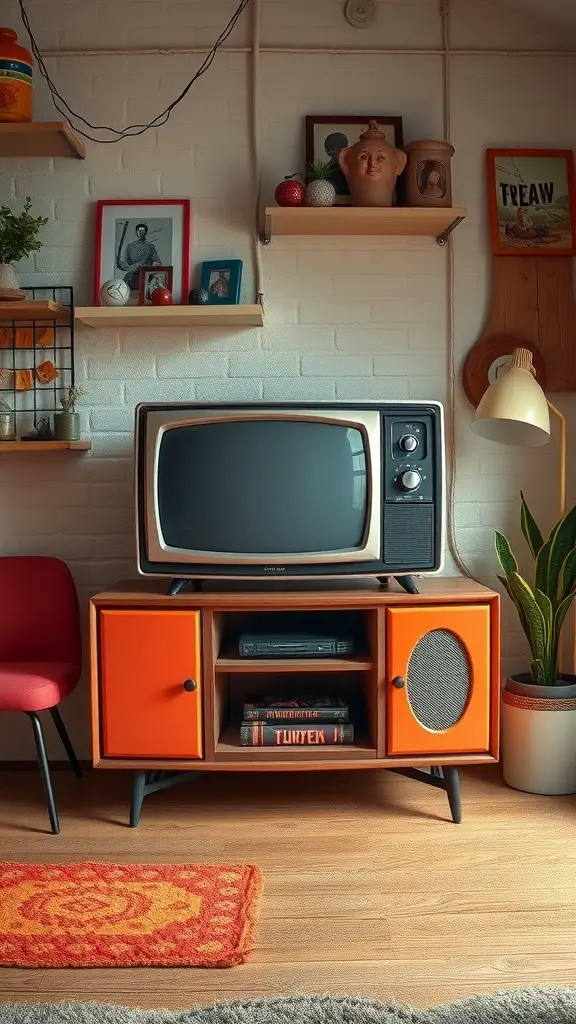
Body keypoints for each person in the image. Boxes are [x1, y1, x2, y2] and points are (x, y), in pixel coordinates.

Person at [116, 222, 161, 292]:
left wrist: (149, 267)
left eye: (143, 231)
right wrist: (120, 264)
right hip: (132, 277)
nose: (140, 232)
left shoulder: (150, 246)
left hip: (146, 276)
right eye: (139, 230)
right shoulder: (130, 246)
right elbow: (126, 264)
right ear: (136, 232)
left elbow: (157, 262)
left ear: (145, 232)